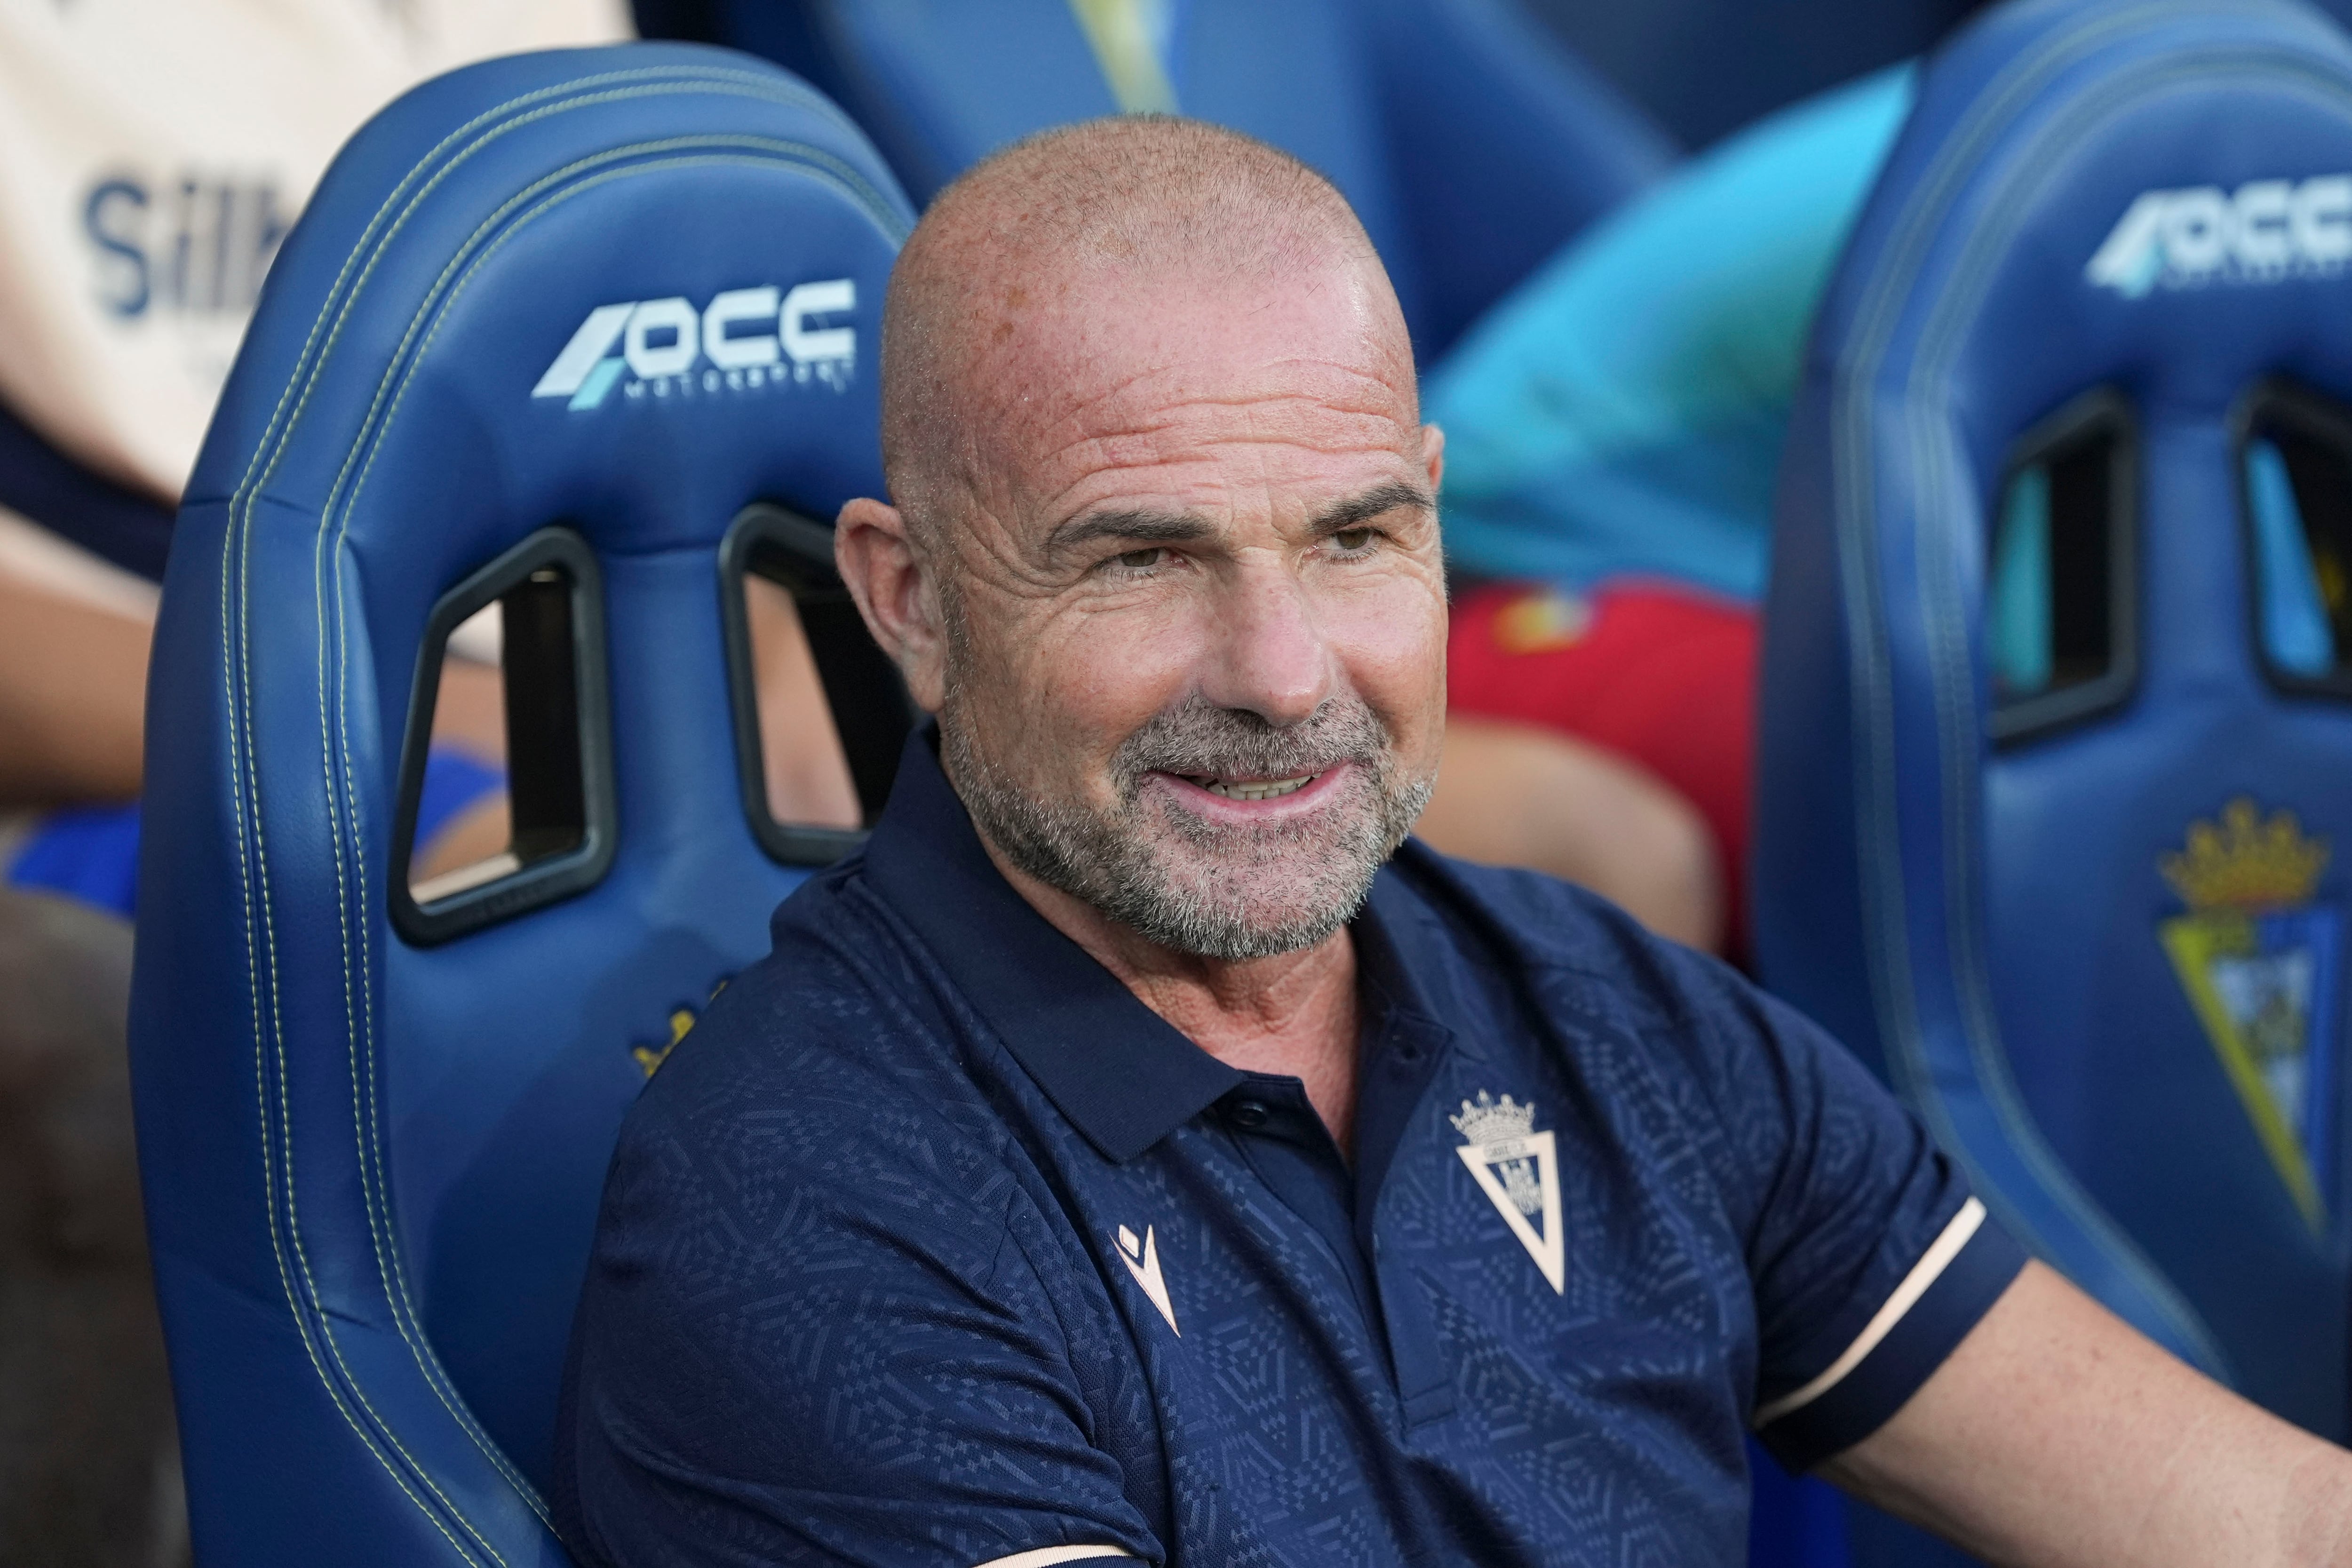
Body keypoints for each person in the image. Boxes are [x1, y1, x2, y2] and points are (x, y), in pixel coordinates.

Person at [554, 118, 2352, 1567]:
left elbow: (2261, 1519)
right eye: (1141, 558)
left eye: (1353, 537)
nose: (1281, 673)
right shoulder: (802, 1214)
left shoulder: (1618, 1021)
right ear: (912, 598)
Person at [1427, 63, 1919, 961]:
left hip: (1768, 586)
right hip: (1498, 565)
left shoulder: (2174, 98)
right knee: (1920, 792)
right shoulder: (2064, 148)